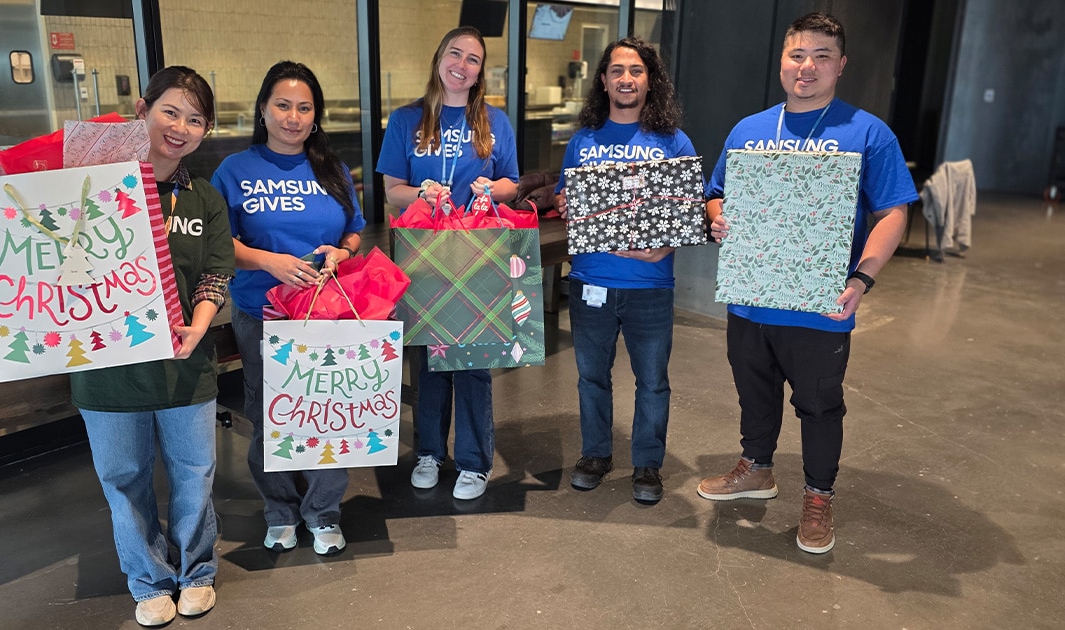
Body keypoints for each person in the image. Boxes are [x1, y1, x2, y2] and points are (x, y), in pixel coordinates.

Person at [698, 12, 918, 554]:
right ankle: (757, 468)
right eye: (798, 54)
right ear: (782, 61)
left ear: (840, 65)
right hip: (751, 298)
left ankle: (819, 496)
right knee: (753, 390)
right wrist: (718, 216)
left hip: (821, 304)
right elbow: (716, 192)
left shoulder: (866, 132)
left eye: (822, 56)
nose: (808, 66)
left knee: (820, 406)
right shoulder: (749, 130)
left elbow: (893, 212)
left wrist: (862, 278)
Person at [71, 66, 235, 627]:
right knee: (123, 480)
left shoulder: (205, 200)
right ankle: (147, 580)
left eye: (195, 120)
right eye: (171, 111)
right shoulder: (89, 189)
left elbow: (216, 273)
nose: (180, 127)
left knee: (194, 476)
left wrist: (200, 321)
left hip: (185, 369)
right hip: (106, 371)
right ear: (142, 110)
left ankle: (197, 574)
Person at [212, 61, 365, 556]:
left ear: (315, 115)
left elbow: (354, 230)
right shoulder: (235, 170)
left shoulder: (332, 168)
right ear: (263, 109)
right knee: (270, 413)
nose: (293, 117)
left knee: (327, 412)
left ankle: (322, 513)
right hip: (262, 311)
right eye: (282, 105)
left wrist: (343, 251)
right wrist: (268, 262)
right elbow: (218, 241)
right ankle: (279, 509)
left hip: (326, 311)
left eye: (304, 107)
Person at [376, 26, 519, 500]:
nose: (462, 64)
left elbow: (511, 185)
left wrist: (489, 188)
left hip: (477, 257)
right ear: (439, 58)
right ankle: (429, 453)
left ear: (480, 71)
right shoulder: (405, 120)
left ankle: (475, 463)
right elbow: (392, 190)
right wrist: (419, 192)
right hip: (422, 257)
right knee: (429, 358)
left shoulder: (495, 122)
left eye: (473, 59)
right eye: (455, 54)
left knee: (473, 362)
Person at [553, 37, 695, 505]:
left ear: (649, 79)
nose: (626, 79)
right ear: (604, 80)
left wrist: (666, 246)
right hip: (590, 281)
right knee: (591, 378)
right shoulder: (583, 140)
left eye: (636, 70)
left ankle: (648, 464)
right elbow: (565, 199)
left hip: (650, 286)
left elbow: (690, 209)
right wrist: (564, 205)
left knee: (652, 381)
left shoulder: (673, 141)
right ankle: (595, 455)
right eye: (617, 70)